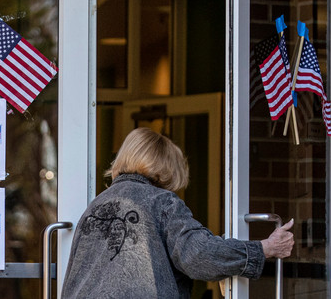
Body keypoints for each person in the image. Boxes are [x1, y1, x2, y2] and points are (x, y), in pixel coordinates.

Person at [62, 127, 294, 299]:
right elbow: (199, 256)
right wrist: (264, 248)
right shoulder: (161, 202)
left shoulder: (94, 206)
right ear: (165, 167)